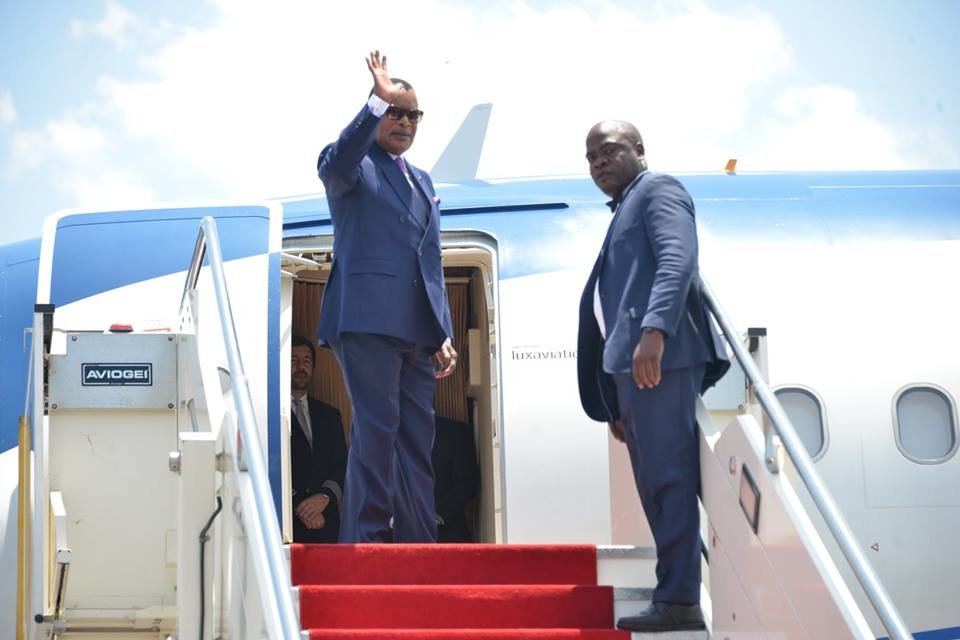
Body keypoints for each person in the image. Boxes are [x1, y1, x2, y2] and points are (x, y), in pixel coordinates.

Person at [577, 121, 729, 632]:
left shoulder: (658, 189)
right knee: (654, 484)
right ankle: (674, 591)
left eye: (609, 151)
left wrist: (655, 330)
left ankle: (680, 597)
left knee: (669, 478)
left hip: (659, 360)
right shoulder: (626, 205)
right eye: (591, 157)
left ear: (639, 150)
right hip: (632, 370)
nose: (599, 162)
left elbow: (677, 258)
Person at [316, 51, 457, 544]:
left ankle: (419, 542)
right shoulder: (351, 165)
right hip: (367, 321)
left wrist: (442, 330)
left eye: (412, 115)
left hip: (417, 330)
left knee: (418, 438)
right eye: (394, 112)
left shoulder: (422, 180)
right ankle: (367, 539)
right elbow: (339, 160)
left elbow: (430, 258)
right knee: (377, 430)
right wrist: (375, 101)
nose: (404, 122)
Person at [290, 335, 348, 543]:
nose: (301, 367)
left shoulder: (330, 415)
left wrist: (324, 497)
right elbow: (270, 467)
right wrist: (303, 509)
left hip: (327, 523)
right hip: (288, 524)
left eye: (306, 361)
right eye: (293, 360)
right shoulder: (271, 415)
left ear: (313, 367)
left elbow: (342, 466)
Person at [432, 415, 479, 542]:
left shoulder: (455, 431)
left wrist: (436, 515)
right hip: (393, 539)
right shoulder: (387, 432)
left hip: (448, 536)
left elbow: (467, 484)